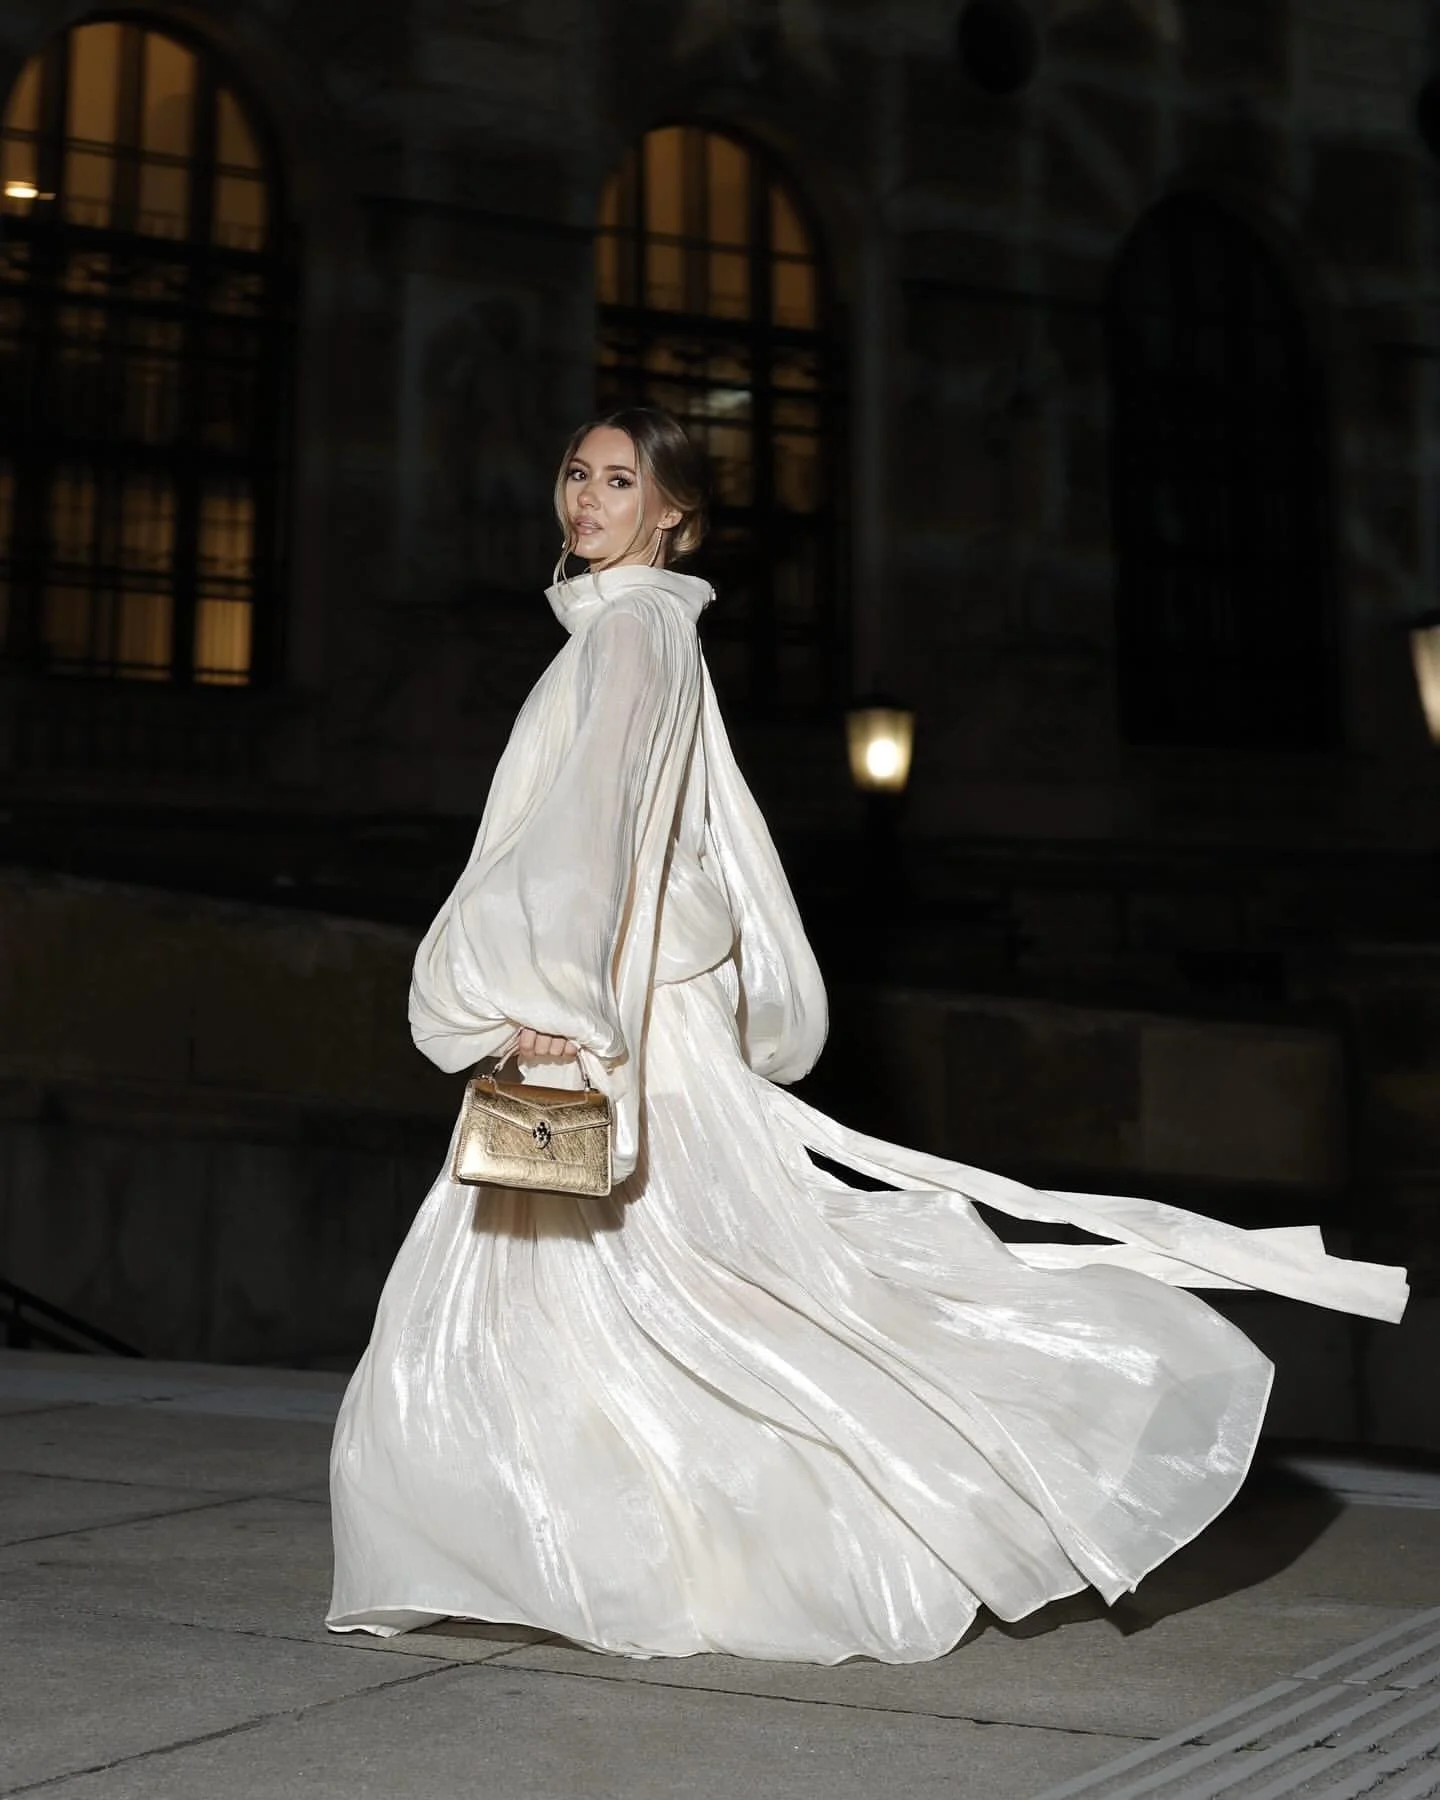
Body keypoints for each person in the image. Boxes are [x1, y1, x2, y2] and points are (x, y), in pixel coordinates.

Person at [328, 406, 1407, 1665]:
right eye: (577, 472)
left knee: (667, 1290)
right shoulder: (639, 632)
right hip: (639, 1005)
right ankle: (621, 1547)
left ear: (673, 513)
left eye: (621, 481)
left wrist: (555, 1001)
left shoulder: (628, 633)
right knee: (676, 1287)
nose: (587, 498)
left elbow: (595, 831)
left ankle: (748, 1532)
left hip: (615, 1016)